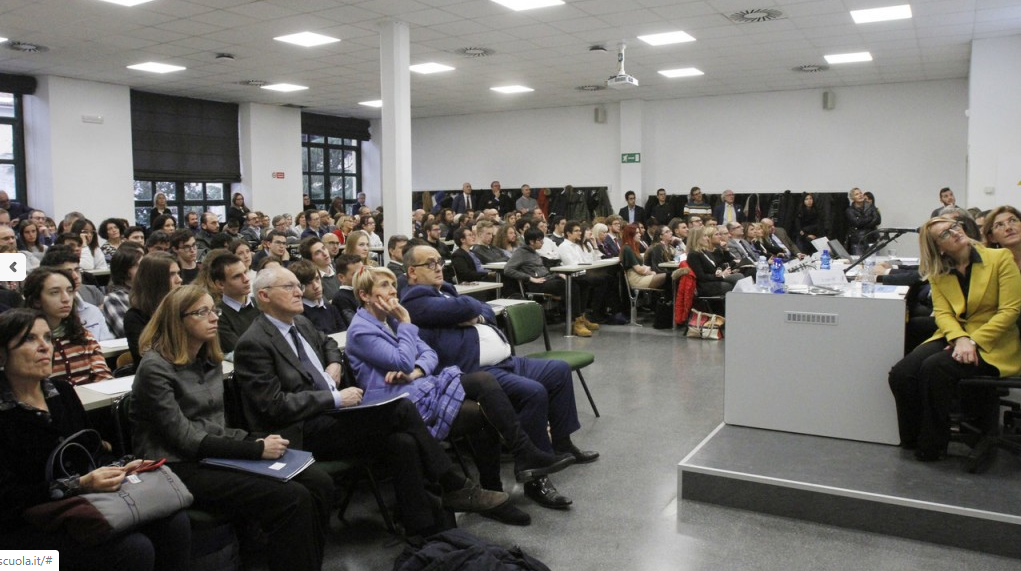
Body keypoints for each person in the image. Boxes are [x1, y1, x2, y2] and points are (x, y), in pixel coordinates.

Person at [234, 265, 510, 536]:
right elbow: (273, 406)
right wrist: (334, 397)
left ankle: (423, 528)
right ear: (264, 296)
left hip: (334, 414)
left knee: (403, 441)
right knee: (402, 409)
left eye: (298, 285)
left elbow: (328, 343)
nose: (299, 291)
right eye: (289, 286)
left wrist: (333, 363)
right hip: (302, 429)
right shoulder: (254, 343)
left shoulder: (301, 323)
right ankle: (453, 484)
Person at [348, 266, 576, 521]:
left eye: (392, 284)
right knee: (483, 401)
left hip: (416, 386)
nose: (392, 291)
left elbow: (429, 354)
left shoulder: (390, 320)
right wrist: (406, 325)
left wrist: (415, 372)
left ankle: (505, 477)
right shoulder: (362, 330)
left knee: (484, 393)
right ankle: (506, 476)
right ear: (365, 295)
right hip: (395, 402)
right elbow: (401, 360)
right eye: (383, 286)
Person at [130, 286, 330, 571]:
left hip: (214, 452)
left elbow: (215, 426)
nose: (213, 318)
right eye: (202, 312)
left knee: (319, 481)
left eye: (214, 310)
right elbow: (186, 440)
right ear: (178, 320)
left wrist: (255, 441)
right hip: (176, 465)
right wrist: (255, 448)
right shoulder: (155, 368)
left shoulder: (209, 360)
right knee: (291, 497)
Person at [0, 309, 190, 571]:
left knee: (173, 523)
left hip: (80, 508)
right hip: (16, 543)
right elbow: (6, 499)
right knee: (132, 549)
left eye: (47, 338)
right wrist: (78, 484)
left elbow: (91, 451)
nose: (45, 347)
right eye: (29, 340)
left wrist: (119, 466)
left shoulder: (62, 393)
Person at [888, 217, 1021, 461]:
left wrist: (973, 340)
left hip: (993, 340)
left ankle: (933, 442)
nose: (955, 232)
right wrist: (959, 337)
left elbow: (1010, 311)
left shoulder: (999, 258)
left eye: (954, 227)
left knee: (935, 367)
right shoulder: (939, 272)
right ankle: (912, 438)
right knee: (902, 374)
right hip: (954, 334)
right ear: (938, 247)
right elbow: (943, 313)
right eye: (945, 234)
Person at [22, 268, 112, 386]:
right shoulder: (24, 341)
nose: (66, 299)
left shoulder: (82, 334)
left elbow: (102, 374)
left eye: (70, 291)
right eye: (54, 292)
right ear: (36, 300)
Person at [505, 228, 590, 337]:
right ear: (531, 241)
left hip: (547, 279)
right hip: (537, 285)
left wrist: (558, 274)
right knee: (570, 286)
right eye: (540, 240)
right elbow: (508, 270)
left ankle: (582, 317)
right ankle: (577, 322)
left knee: (583, 282)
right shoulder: (521, 253)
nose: (543, 243)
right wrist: (529, 278)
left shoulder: (534, 252)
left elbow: (542, 270)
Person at [125, 253, 183, 364]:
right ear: (155, 280)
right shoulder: (135, 317)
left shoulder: (183, 309)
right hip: (155, 376)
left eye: (178, 273)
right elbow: (147, 357)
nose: (179, 279)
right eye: (171, 274)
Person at [290, 260, 345, 335]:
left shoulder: (331, 309)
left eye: (317, 279)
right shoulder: (299, 315)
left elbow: (343, 333)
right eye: (308, 283)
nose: (316, 286)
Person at [102, 243, 144, 339]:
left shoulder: (149, 293)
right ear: (125, 270)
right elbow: (126, 331)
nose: (145, 270)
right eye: (139, 266)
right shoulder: (113, 299)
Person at [686, 226, 739, 297]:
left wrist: (724, 271)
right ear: (697, 238)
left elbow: (716, 267)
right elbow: (701, 277)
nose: (707, 238)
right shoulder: (693, 254)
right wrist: (721, 276)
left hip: (715, 279)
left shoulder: (705, 251)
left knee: (738, 276)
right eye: (704, 236)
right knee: (729, 285)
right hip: (704, 285)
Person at [620, 223, 666, 291]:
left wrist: (647, 270)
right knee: (669, 276)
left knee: (670, 276)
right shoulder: (627, 248)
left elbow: (641, 268)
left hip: (641, 276)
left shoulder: (632, 248)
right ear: (631, 234)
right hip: (637, 279)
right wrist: (649, 270)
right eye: (637, 233)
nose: (640, 234)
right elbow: (639, 270)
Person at [845, 187, 881, 255]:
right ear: (853, 198)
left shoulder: (871, 206)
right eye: (857, 194)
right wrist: (870, 218)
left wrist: (862, 223)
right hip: (858, 241)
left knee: (875, 263)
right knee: (859, 263)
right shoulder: (850, 210)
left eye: (861, 193)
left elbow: (878, 220)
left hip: (872, 239)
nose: (860, 195)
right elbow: (857, 223)